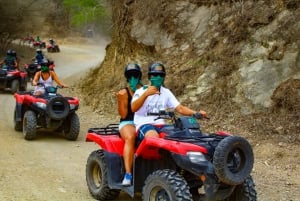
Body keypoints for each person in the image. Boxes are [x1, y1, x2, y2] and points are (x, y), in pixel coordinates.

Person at [131, 62, 207, 141]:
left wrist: (196, 113)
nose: (158, 77)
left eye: (161, 75)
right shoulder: (141, 91)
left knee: (181, 134)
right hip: (144, 124)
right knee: (153, 138)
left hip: (161, 125)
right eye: (155, 75)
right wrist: (145, 95)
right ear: (150, 77)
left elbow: (180, 108)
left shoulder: (166, 92)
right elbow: (133, 108)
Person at [115, 63, 143, 186]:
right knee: (131, 137)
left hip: (142, 121)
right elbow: (123, 115)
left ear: (139, 77)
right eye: (130, 76)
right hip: (127, 122)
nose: (133, 78)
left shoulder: (144, 91)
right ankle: (128, 174)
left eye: (135, 76)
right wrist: (121, 100)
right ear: (127, 78)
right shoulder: (124, 93)